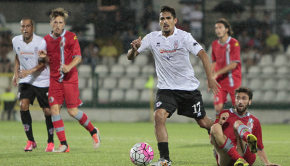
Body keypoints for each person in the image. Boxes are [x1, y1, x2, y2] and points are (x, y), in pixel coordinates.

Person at [127, 6, 219, 166]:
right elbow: (130, 57)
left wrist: (210, 78)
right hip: (166, 89)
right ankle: (165, 159)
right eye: (162, 18)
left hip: (188, 89)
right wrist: (133, 49)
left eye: (168, 18)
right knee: (158, 116)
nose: (165, 21)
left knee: (203, 122)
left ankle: (225, 138)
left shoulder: (184, 37)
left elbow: (203, 54)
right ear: (159, 21)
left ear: (175, 21)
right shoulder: (151, 38)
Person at [39, 8, 100, 153]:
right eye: (55, 22)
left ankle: (93, 131)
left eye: (60, 22)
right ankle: (64, 144)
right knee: (54, 110)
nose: (58, 25)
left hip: (69, 79)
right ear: (51, 23)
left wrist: (68, 67)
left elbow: (78, 57)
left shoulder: (71, 37)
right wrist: (43, 57)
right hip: (54, 80)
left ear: (64, 24)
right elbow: (47, 60)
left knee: (73, 112)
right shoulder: (45, 40)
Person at [11, 18, 54, 152]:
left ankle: (50, 142)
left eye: (28, 26)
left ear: (32, 28)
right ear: (20, 28)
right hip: (26, 80)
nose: (25, 29)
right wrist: (15, 73)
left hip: (42, 80)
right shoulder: (15, 40)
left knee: (47, 111)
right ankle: (30, 140)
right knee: (23, 106)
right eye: (23, 26)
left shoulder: (41, 42)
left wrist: (28, 71)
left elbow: (43, 64)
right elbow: (17, 56)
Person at [210, 87, 280, 166]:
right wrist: (220, 122)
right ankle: (239, 158)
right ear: (234, 100)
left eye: (244, 99)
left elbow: (259, 146)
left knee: (238, 123)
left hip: (244, 152)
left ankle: (247, 137)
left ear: (249, 102)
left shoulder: (255, 121)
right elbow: (212, 140)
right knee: (215, 127)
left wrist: (267, 163)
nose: (240, 101)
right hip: (226, 157)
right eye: (237, 98)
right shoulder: (224, 114)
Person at [211, 18, 242, 116]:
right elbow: (214, 62)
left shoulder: (234, 43)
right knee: (218, 107)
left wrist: (216, 73)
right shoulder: (215, 44)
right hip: (219, 81)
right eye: (216, 28)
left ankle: (241, 127)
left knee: (238, 108)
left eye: (220, 27)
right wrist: (210, 77)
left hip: (233, 79)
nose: (218, 30)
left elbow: (234, 64)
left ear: (227, 29)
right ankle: (220, 129)